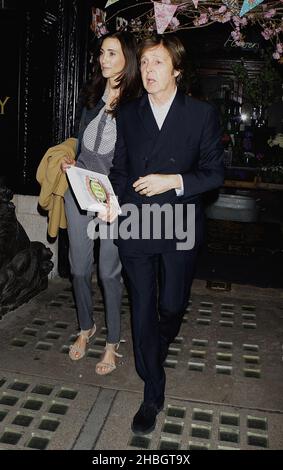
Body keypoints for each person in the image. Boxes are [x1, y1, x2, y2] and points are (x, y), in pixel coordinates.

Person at [100, 34, 224, 432]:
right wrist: (111, 201)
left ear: (176, 70)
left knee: (170, 306)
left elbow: (214, 174)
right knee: (141, 308)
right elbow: (119, 169)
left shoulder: (200, 115)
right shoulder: (129, 113)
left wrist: (173, 180)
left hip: (180, 224)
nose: (149, 71)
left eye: (158, 63)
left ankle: (161, 336)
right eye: (146, 63)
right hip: (135, 225)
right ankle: (152, 390)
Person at [61, 31, 141, 374]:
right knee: (79, 268)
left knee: (109, 273)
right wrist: (72, 161)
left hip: (113, 198)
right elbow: (82, 141)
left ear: (127, 58)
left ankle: (112, 342)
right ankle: (85, 327)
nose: (103, 59)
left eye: (111, 53)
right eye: (101, 53)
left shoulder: (137, 104)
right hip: (79, 190)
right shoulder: (93, 95)